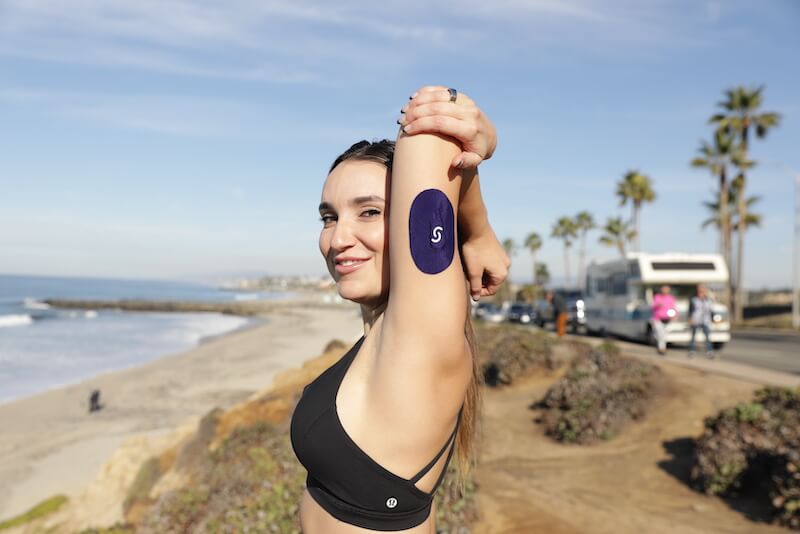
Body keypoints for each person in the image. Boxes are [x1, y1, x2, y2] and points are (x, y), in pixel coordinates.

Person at [290, 86, 507, 533]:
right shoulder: (385, 336)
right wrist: (478, 230)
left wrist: (481, 144)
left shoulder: (419, 337)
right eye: (329, 217)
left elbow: (432, 124)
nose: (337, 239)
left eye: (369, 212)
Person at [688, 283, 715, 358]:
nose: (701, 290)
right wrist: (690, 319)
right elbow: (690, 310)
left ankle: (710, 351)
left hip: (706, 320)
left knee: (707, 337)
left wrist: (713, 319)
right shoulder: (694, 299)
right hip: (696, 320)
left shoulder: (708, 300)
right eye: (700, 289)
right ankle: (692, 350)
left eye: (703, 289)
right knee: (693, 336)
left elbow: (711, 310)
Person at [651, 285, 677, 355]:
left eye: (667, 289)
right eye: (664, 289)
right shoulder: (657, 297)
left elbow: (673, 307)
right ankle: (661, 348)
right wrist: (658, 305)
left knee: (664, 334)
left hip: (667, 319)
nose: (665, 291)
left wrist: (675, 315)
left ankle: (662, 347)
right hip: (657, 319)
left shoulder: (671, 298)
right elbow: (653, 306)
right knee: (660, 333)